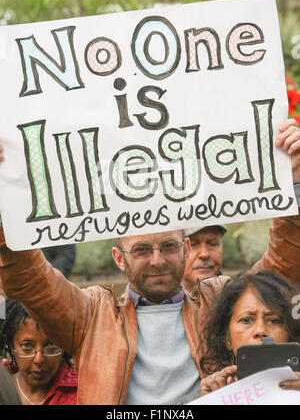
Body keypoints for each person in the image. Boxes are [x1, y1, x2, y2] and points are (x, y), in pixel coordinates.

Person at [0, 119, 300, 404]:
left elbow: (283, 265)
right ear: (118, 258)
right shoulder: (91, 315)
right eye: (142, 250)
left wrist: (295, 183)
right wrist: (4, 199)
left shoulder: (220, 300)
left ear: (184, 247)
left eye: (168, 246)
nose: (157, 261)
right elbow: (30, 279)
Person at [199, 270, 300, 396]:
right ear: (227, 338)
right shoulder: (211, 393)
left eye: (273, 320)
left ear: (291, 332)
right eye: (246, 320)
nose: (260, 330)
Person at [0, 299, 78, 405]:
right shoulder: (3, 385)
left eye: (50, 345)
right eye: (27, 345)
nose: (39, 360)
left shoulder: (82, 390)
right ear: (11, 346)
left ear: (63, 344)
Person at [183, 224, 227, 291]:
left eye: (213, 243)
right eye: (192, 244)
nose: (204, 254)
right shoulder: (162, 299)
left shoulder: (239, 299)